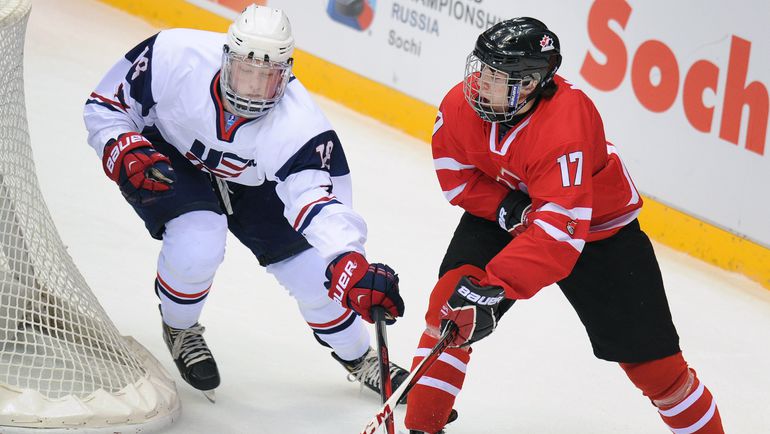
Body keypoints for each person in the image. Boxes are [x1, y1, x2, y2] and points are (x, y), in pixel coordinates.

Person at [404, 17, 724, 434]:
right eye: (481, 68)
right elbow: (457, 177)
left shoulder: (565, 123)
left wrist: (495, 286)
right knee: (451, 309)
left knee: (661, 375)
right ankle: (421, 426)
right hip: (513, 207)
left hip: (595, 232)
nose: (480, 82)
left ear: (529, 84)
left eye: (496, 75)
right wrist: (508, 208)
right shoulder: (458, 107)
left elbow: (558, 236)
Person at [83, 4, 407, 402]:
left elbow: (316, 201)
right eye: (245, 72)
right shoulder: (174, 54)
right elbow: (106, 106)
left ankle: (359, 357)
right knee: (198, 240)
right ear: (226, 58)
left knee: (314, 274)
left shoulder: (300, 125)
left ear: (286, 74)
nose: (253, 88)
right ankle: (180, 328)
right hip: (170, 155)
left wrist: (348, 261)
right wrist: (122, 147)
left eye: (267, 78)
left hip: (253, 181)